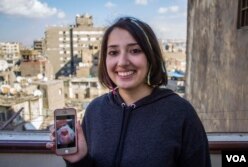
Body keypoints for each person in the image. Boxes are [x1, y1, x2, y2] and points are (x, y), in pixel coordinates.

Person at [47, 16, 211, 167]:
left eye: (135, 51)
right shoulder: (95, 110)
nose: (122, 62)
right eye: (113, 52)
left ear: (150, 56)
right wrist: (79, 160)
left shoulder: (180, 113)